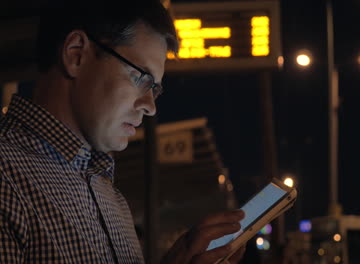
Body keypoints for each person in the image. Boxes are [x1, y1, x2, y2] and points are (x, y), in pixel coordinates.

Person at [0, 0, 245, 263]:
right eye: (141, 78)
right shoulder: (6, 178)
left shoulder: (109, 195)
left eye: (156, 89)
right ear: (76, 54)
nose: (150, 107)